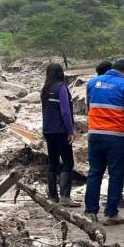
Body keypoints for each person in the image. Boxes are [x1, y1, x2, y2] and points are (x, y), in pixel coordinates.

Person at [84, 59, 124, 225]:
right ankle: (111, 213)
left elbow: (89, 108)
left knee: (94, 172)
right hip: (116, 136)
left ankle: (90, 212)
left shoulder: (92, 83)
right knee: (115, 174)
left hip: (94, 134)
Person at [41, 63, 81, 207]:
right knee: (68, 162)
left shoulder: (45, 89)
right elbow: (65, 111)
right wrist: (71, 130)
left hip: (48, 130)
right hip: (60, 130)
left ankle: (52, 196)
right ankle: (65, 196)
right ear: (60, 73)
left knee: (52, 162)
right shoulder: (61, 87)